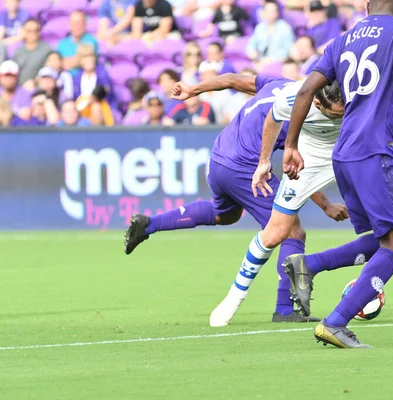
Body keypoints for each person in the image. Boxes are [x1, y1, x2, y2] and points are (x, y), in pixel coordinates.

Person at [281, 0, 393, 348]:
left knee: (380, 240)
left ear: (366, 7)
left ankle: (310, 264)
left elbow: (305, 90)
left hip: (345, 154)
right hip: (374, 151)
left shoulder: (341, 40)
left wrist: (291, 145)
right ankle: (335, 321)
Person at [123, 73, 346, 324]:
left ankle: (150, 224)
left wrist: (193, 89)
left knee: (225, 215)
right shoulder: (300, 118)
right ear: (317, 102)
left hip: (219, 156)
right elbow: (298, 169)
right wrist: (326, 205)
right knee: (292, 232)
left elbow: (231, 79)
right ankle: (285, 309)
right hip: (245, 167)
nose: (336, 117)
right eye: (335, 113)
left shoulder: (281, 84)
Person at [12, 18, 52, 88]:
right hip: (19, 89)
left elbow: (49, 71)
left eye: (36, 30)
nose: (33, 33)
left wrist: (34, 82)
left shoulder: (47, 49)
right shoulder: (18, 51)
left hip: (39, 88)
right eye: (30, 30)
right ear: (24, 31)